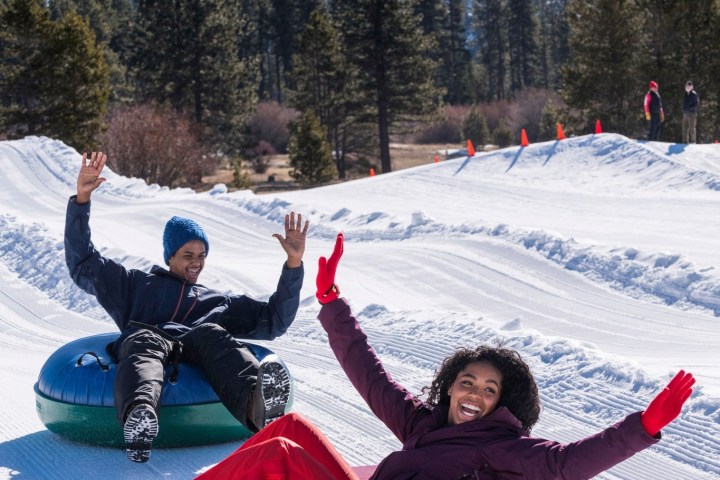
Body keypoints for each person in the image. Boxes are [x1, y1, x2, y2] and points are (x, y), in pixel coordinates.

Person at [195, 233, 697, 480]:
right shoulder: (422, 424)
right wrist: (331, 304)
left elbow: (569, 465)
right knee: (292, 428)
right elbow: (368, 372)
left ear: (504, 403)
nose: (475, 393)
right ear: (450, 386)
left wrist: (643, 427)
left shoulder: (503, 446)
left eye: (489, 388)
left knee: (277, 456)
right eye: (468, 381)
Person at [65, 151, 309, 463]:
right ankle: (139, 420)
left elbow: (274, 321)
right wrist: (82, 200)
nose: (196, 263)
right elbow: (83, 262)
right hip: (148, 342)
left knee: (212, 332)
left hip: (196, 348)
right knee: (143, 341)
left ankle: (256, 406)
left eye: (202, 255)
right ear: (170, 255)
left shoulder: (216, 301)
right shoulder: (134, 284)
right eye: (188, 254)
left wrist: (293, 264)